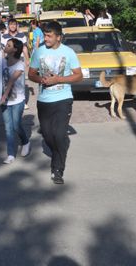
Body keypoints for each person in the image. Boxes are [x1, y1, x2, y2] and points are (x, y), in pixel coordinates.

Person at [28, 21, 83, 184]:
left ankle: (57, 169)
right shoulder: (39, 52)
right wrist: (41, 79)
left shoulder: (69, 52)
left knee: (59, 135)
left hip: (63, 99)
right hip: (44, 100)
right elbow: (31, 74)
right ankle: (59, 151)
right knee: (47, 135)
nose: (46, 38)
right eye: (45, 35)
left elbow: (79, 76)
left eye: (49, 36)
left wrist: (59, 79)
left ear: (59, 37)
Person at [0, 38, 30, 164]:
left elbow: (11, 81)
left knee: (16, 125)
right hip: (4, 100)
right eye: (6, 44)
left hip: (17, 100)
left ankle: (25, 142)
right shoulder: (1, 62)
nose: (5, 46)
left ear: (15, 50)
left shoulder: (20, 64)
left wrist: (4, 96)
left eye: (8, 45)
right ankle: (11, 154)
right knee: (8, 128)